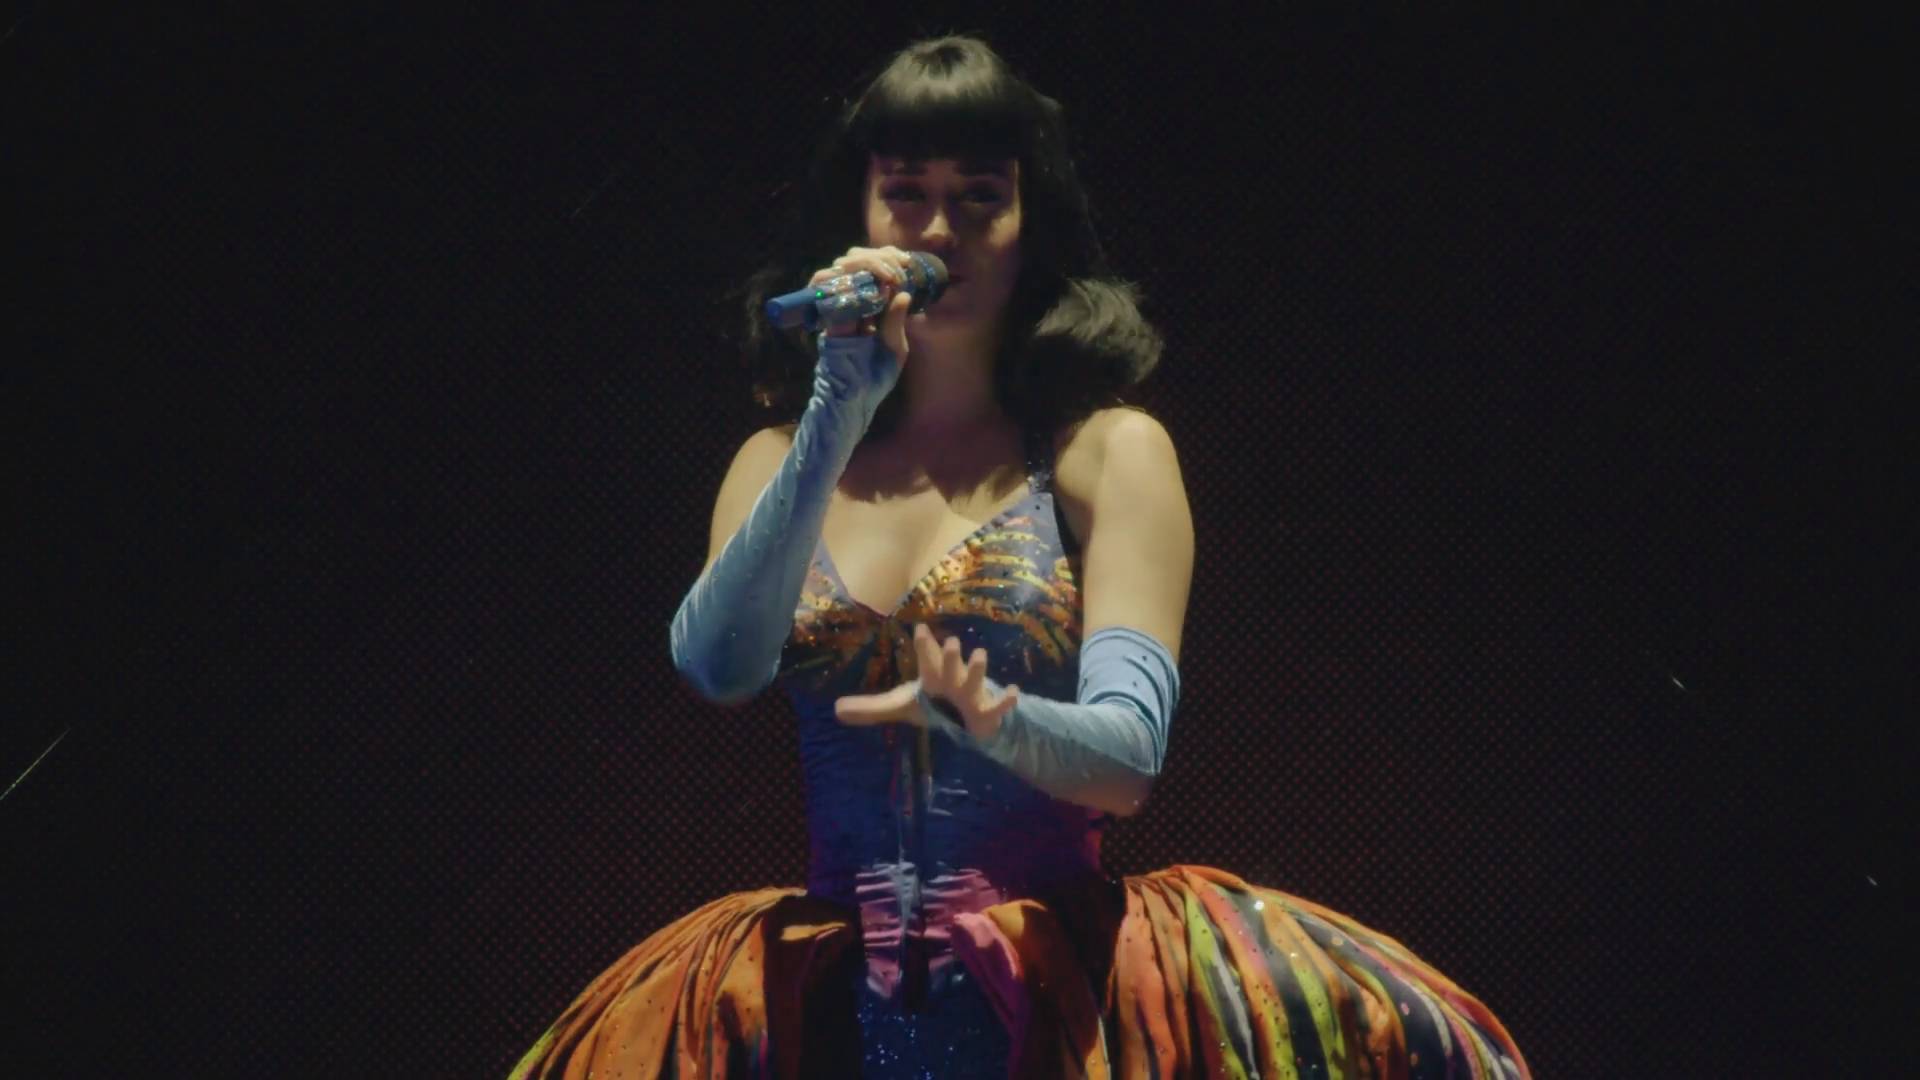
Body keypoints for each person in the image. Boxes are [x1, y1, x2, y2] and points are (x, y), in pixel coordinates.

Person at [510, 35, 1530, 1079]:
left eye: (979, 197)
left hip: (1049, 1005)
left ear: (1029, 222)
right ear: (857, 217)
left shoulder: (1108, 453)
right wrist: (837, 409)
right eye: (906, 193)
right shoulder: (777, 461)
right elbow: (716, 667)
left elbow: (1128, 762)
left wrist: (995, 721)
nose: (938, 229)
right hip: (832, 1014)